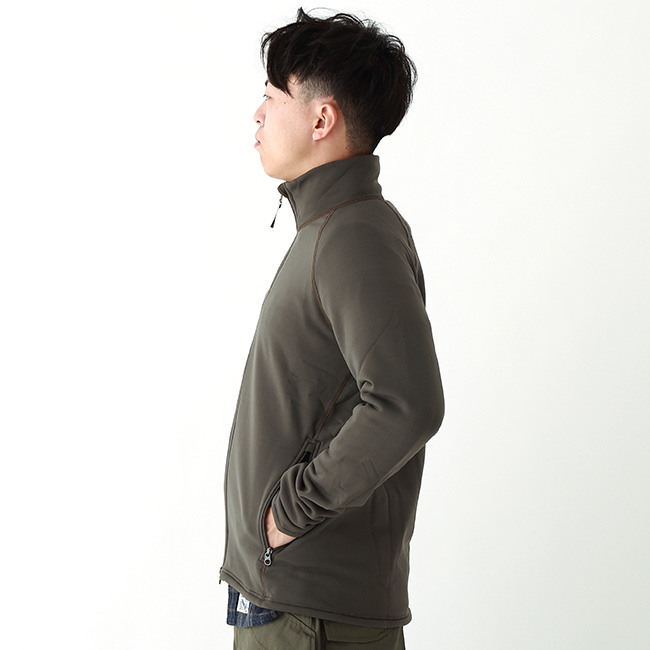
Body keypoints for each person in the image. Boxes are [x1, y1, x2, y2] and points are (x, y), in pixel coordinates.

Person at [219, 8, 445, 649]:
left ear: (322, 120)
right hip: (291, 599)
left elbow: (406, 403)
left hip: (310, 613)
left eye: (271, 97)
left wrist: (290, 512)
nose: (258, 114)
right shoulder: (335, 228)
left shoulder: (352, 236)